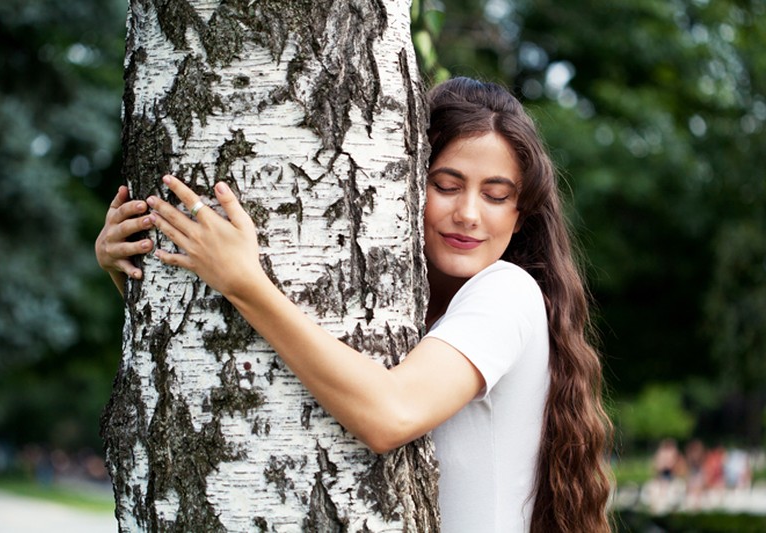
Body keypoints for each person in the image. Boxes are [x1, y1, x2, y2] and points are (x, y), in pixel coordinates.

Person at [96, 77, 613, 532]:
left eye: (496, 196)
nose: (469, 214)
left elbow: (390, 413)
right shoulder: (420, 310)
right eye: (446, 185)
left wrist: (245, 283)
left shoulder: (507, 291)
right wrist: (139, 274)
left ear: (521, 215)